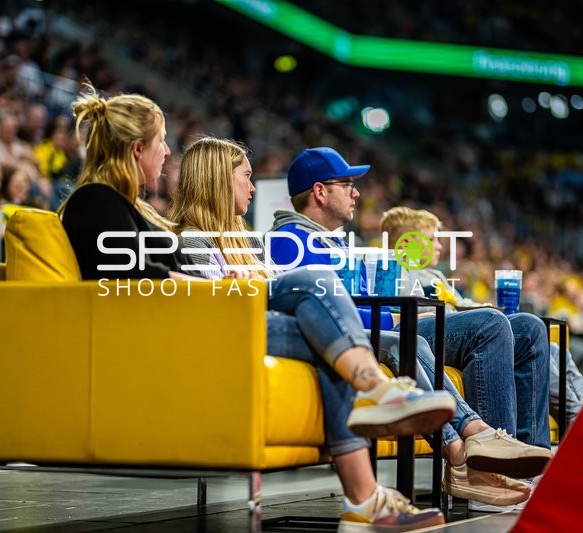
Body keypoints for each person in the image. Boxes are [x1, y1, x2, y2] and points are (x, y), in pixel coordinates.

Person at [58, 85, 455, 531]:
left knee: (326, 329)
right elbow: (132, 283)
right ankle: (379, 403)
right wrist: (218, 285)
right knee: (309, 285)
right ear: (136, 149)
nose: (168, 152)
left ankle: (366, 493)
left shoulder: (133, 209)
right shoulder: (96, 202)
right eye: (161, 141)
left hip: (195, 320)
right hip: (179, 329)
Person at [171, 137, 556, 508]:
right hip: (260, 329)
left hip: (308, 323)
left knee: (518, 329)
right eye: (245, 176)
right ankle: (468, 449)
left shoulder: (250, 241)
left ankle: (477, 448)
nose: (253, 187)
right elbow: (241, 297)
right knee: (425, 335)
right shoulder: (271, 240)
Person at [268, 147, 553, 454]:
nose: (357, 194)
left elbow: (365, 300)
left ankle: (528, 459)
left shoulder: (335, 242)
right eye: (347, 185)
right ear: (320, 192)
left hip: (392, 323)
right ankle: (495, 456)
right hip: (379, 332)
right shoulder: (289, 241)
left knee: (528, 327)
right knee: (490, 323)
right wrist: (398, 318)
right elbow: (328, 314)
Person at [380, 206, 583, 426]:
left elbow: (462, 304)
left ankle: (582, 412)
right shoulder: (396, 268)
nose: (439, 246)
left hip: (456, 328)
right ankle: (575, 418)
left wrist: (486, 307)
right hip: (440, 333)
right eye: (432, 239)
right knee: (497, 325)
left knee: (547, 344)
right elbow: (402, 311)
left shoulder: (436, 275)